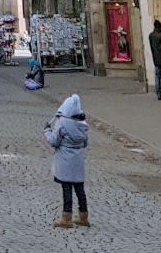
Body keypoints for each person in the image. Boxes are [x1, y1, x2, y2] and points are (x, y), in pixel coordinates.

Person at [45, 94, 89, 229]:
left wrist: (47, 130)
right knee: (79, 189)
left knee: (67, 188)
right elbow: (85, 143)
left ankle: (66, 218)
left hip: (65, 161)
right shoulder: (82, 125)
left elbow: (54, 141)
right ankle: (83, 217)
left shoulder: (61, 123)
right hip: (78, 161)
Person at [148, 20, 161, 100]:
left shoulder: (151, 35)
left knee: (157, 76)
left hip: (155, 58)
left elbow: (152, 47)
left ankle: (158, 93)